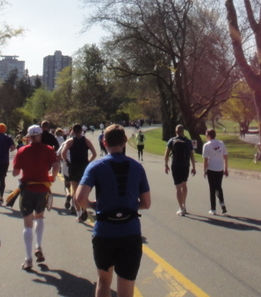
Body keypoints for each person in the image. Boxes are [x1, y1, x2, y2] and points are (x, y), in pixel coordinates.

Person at [76, 124, 151, 297]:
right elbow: (146, 203)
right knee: (126, 285)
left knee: (103, 281)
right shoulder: (137, 167)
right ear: (125, 141)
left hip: (105, 232)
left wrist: (94, 206)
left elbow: (80, 199)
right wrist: (131, 205)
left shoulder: (95, 166)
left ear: (104, 142)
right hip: (130, 232)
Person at [12, 124, 59, 270]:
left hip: (27, 189)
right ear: (40, 136)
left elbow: (15, 172)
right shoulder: (49, 149)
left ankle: (28, 259)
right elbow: (56, 165)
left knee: (27, 223)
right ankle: (38, 246)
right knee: (39, 217)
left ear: (28, 137)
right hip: (42, 189)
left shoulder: (22, 151)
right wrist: (53, 176)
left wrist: (20, 173)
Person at [58, 123, 97, 222]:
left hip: (74, 167)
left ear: (73, 131)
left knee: (75, 191)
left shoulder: (70, 141)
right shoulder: (86, 141)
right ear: (81, 131)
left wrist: (67, 161)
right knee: (83, 190)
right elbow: (94, 153)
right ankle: (84, 207)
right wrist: (88, 161)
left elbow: (63, 153)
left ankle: (79, 214)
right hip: (84, 167)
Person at [164, 124, 196, 216]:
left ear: (176, 131)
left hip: (176, 165)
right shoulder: (188, 141)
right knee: (184, 185)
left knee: (178, 187)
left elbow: (166, 155)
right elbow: (192, 155)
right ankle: (184, 205)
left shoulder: (171, 141)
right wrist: (194, 167)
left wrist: (166, 165)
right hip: (185, 165)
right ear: (183, 131)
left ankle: (180, 208)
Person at [202, 129, 229, 215]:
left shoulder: (206, 145)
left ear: (209, 136)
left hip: (211, 169)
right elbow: (225, 156)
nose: (206, 137)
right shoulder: (221, 144)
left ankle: (213, 209)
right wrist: (226, 168)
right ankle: (222, 203)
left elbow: (205, 159)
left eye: (206, 135)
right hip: (220, 168)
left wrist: (204, 170)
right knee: (218, 186)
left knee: (212, 189)